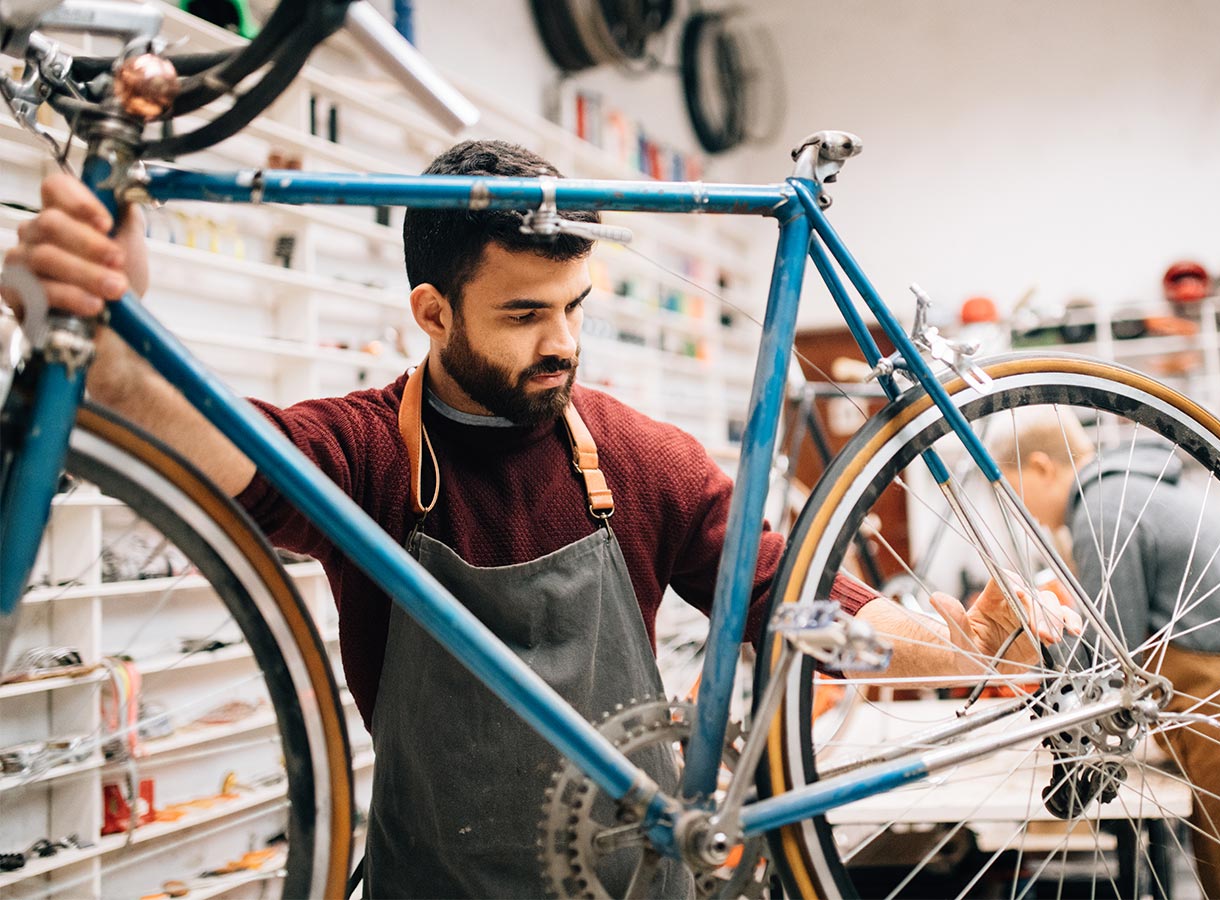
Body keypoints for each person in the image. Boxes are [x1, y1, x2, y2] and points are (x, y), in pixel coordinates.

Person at [3, 140, 1071, 898]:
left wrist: (971, 645)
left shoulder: (638, 458)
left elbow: (789, 594)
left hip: (631, 883)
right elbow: (211, 440)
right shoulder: (371, 455)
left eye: (575, 309)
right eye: (523, 315)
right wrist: (113, 342)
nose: (561, 342)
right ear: (432, 311)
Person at [995, 413, 1220, 900]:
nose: (1027, 514)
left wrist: (1031, 638)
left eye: (1014, 491)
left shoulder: (1102, 509)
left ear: (1041, 467)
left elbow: (1110, 665)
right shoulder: (1137, 489)